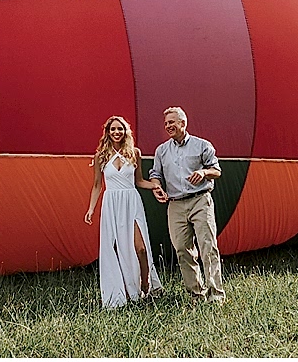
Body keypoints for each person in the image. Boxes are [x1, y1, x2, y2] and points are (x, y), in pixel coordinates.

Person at [85, 115, 164, 308]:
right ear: (107, 132)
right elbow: (97, 185)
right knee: (116, 249)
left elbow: (139, 181)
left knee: (141, 247)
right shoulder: (101, 156)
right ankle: (124, 291)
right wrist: (91, 209)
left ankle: (145, 282)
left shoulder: (134, 153)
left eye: (120, 129)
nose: (116, 132)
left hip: (132, 201)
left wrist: (154, 186)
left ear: (125, 131)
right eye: (113, 129)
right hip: (111, 203)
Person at [149, 106, 225, 304]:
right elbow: (155, 174)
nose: (168, 126)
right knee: (182, 249)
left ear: (183, 123)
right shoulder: (162, 151)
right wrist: (156, 187)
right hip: (175, 204)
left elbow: (216, 170)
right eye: (166, 123)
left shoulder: (202, 145)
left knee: (208, 247)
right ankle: (196, 295)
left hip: (200, 199)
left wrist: (204, 173)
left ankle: (216, 295)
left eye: (172, 122)